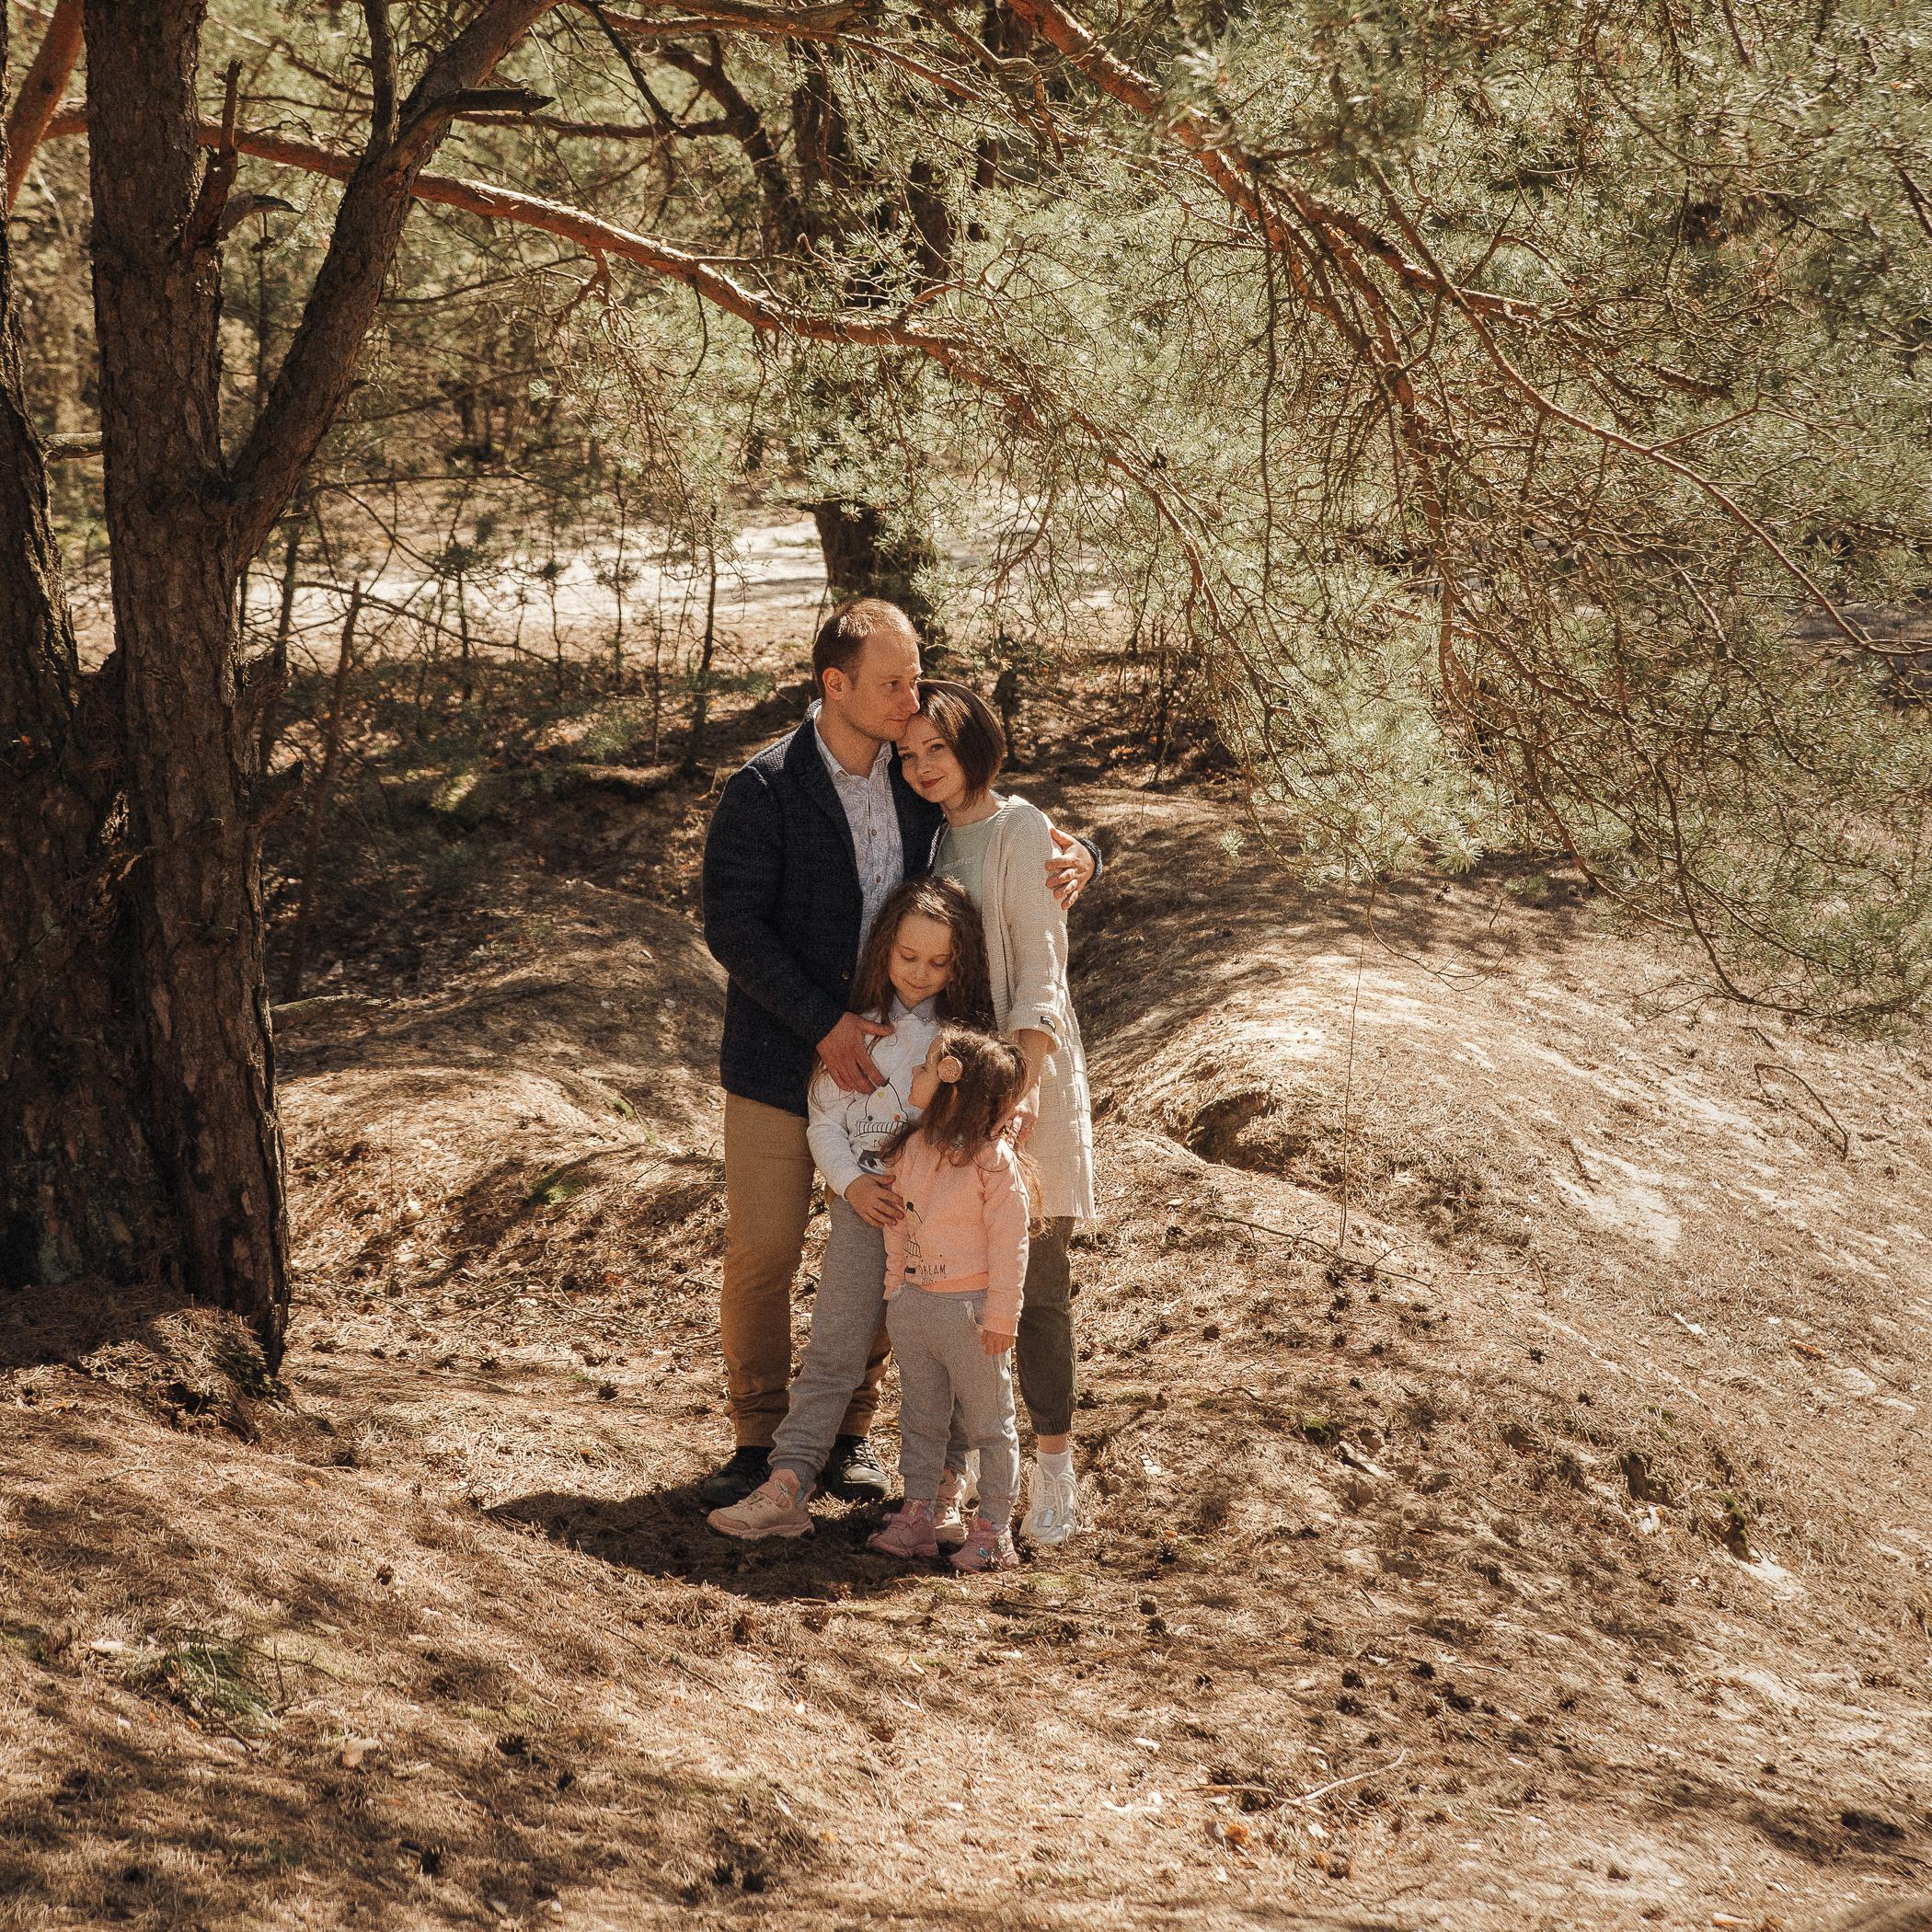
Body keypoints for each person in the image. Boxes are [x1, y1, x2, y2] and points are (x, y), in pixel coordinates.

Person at [697, 599, 1098, 1508]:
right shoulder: (763, 788)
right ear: (833, 686)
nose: (910, 697)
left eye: (914, 676)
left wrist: (1087, 857)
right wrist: (823, 1025)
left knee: (890, 1231)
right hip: (780, 1057)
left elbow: (1007, 827)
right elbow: (733, 926)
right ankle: (758, 1438)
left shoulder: (914, 778)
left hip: (902, 1065)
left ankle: (845, 1437)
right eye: (892, 682)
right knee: (763, 1245)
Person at [706, 877, 994, 1541]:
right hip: (864, 1213)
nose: (920, 974)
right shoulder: (854, 1029)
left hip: (940, 1230)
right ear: (884, 951)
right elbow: (824, 1121)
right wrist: (850, 1185)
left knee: (947, 1353)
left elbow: (962, 1138)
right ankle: (788, 1481)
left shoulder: (961, 1046)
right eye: (907, 957)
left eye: (938, 961)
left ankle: (943, 1491)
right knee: (834, 1350)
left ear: (961, 963)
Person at [897, 680, 1097, 1545]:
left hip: (1028, 1088)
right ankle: (969, 1472)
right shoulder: (935, 838)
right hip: (955, 1098)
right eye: (906, 755)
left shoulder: (1021, 830)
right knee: (955, 1284)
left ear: (974, 742)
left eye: (935, 748)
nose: (920, 767)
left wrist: (1019, 1095)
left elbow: (1041, 978)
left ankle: (1054, 1472)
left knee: (1039, 1285)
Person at [866, 1027, 1033, 1574]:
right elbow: (896, 1222)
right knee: (921, 1417)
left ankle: (993, 1530)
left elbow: (1011, 1243)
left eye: (926, 1072)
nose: (917, 1080)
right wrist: (895, 1288)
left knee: (990, 1422)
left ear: (954, 1091)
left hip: (972, 1313)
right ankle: (918, 1514)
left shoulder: (993, 1163)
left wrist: (1003, 1315)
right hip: (915, 1308)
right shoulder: (911, 1148)